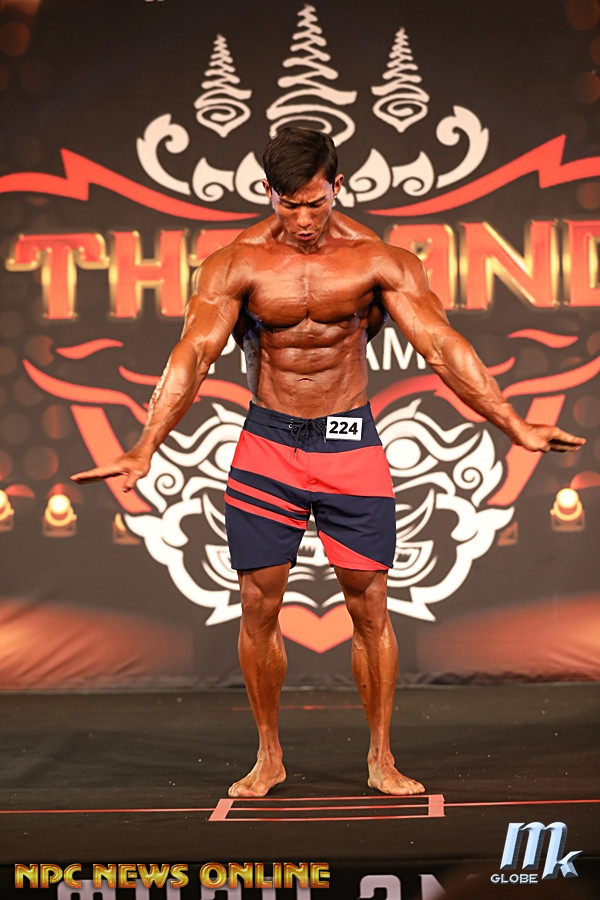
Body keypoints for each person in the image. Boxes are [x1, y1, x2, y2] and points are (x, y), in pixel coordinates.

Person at [72, 127, 585, 799]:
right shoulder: (236, 265)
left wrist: (512, 423)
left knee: (370, 605)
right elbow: (192, 354)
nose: (305, 220)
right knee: (257, 606)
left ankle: (381, 757)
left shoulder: (378, 261)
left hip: (350, 443)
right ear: (267, 193)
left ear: (337, 187)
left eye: (315, 203)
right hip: (269, 443)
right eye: (290, 205)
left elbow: (439, 345)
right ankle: (268, 755)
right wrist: (146, 445)